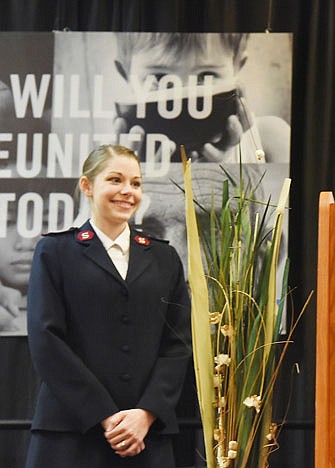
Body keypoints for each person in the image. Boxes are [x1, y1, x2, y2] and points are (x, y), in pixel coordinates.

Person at [25, 145, 191, 467]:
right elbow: (47, 340)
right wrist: (106, 417)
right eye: (115, 180)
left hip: (147, 436)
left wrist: (145, 414)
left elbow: (178, 345)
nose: (127, 191)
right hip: (71, 434)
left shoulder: (164, 258)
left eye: (136, 183)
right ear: (87, 186)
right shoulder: (55, 252)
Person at [112, 32, 290, 164]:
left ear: (237, 68)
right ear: (125, 73)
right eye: (160, 78)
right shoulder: (111, 159)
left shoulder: (272, 139)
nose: (183, 96)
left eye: (206, 76)